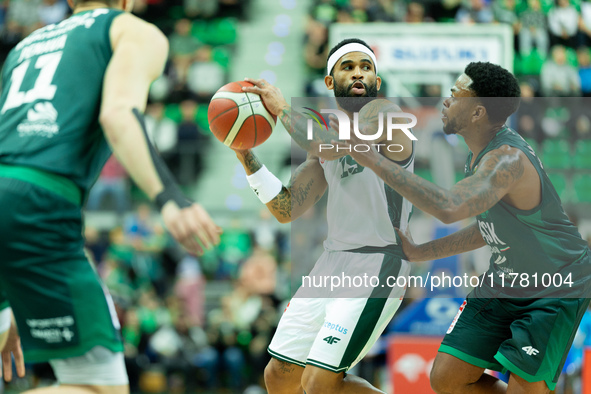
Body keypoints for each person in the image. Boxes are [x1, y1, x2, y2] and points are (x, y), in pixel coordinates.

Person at [0, 0, 221, 393]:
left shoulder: (25, 46)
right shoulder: (130, 30)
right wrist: (169, 197)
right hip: (38, 204)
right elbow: (117, 114)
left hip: (13, 201)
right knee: (99, 387)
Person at [336, 61, 591, 393]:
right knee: (447, 378)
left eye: (455, 94)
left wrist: (371, 157)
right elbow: (488, 229)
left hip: (555, 284)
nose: (446, 100)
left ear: (477, 113)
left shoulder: (506, 159)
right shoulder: (479, 157)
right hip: (506, 278)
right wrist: (419, 251)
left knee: (525, 387)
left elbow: (449, 207)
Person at [235, 38, 414, 393]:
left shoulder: (387, 116)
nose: (359, 73)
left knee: (320, 382)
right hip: (332, 263)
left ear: (376, 82)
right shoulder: (321, 137)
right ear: (330, 82)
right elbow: (287, 208)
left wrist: (282, 109)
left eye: (366, 67)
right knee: (280, 376)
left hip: (379, 262)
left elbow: (328, 140)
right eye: (348, 67)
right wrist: (246, 156)